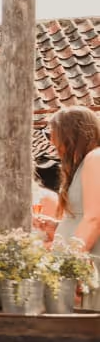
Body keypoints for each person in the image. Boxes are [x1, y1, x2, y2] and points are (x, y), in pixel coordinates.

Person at [43, 106, 100, 309]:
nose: (50, 141)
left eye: (51, 133)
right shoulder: (86, 162)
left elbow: (94, 218)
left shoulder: (95, 158)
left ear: (70, 132)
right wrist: (57, 226)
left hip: (82, 263)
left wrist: (71, 266)